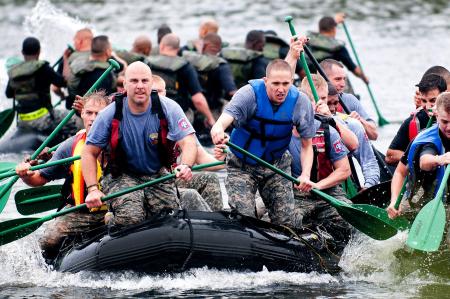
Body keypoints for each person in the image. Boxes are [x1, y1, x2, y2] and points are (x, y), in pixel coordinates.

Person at [82, 61, 197, 227]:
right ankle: (112, 220)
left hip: (156, 173)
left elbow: (188, 141)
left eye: (144, 81)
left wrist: (186, 165)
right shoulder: (109, 114)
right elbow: (88, 153)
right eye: (134, 81)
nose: (140, 86)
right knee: (132, 219)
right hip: (121, 175)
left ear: (151, 84)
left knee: (170, 220)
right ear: (125, 85)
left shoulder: (169, 108)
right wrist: (93, 189)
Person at [211, 57, 316, 225]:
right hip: (241, 164)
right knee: (244, 219)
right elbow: (221, 123)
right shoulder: (248, 95)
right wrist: (218, 132)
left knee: (286, 223)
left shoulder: (300, 102)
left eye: (285, 84)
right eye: (275, 84)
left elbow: (307, 145)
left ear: (291, 82)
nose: (281, 89)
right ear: (265, 81)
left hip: (276, 166)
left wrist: (305, 175)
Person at [15, 91, 110, 260]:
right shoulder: (70, 145)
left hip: (114, 209)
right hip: (81, 212)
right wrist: (25, 175)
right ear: (82, 114)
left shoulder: (119, 139)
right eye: (89, 113)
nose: (93, 118)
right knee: (48, 240)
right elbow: (39, 178)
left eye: (99, 114)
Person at [292, 75, 353, 247]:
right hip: (295, 193)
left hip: (327, 191)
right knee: (287, 221)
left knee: (348, 222)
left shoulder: (328, 131)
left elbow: (344, 170)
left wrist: (318, 186)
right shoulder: (281, 133)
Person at [152, 75, 224, 211]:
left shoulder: (174, 116)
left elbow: (203, 159)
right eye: (152, 92)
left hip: (172, 177)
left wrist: (222, 160)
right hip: (151, 182)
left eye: (160, 92)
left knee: (210, 178)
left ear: (166, 93)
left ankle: (217, 222)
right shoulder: (140, 117)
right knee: (190, 195)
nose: (157, 97)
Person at [387, 92, 450, 247]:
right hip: (423, 196)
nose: (449, 127)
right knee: (397, 226)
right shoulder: (426, 140)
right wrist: (394, 200)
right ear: (436, 116)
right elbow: (406, 170)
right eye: (445, 121)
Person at [5, 37, 74, 137]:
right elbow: (63, 82)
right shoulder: (43, 68)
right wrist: (65, 59)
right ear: (39, 51)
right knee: (73, 119)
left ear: (22, 52)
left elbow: (9, 94)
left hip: (22, 120)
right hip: (42, 119)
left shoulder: (14, 71)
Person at [147, 33, 215, 126]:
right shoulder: (185, 66)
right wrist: (210, 119)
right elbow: (198, 100)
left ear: (161, 46)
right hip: (177, 115)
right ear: (178, 49)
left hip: (151, 112)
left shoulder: (148, 62)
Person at [386, 74, 447, 165]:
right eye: (424, 101)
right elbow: (389, 156)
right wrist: (418, 158)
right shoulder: (413, 121)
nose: (427, 106)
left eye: (433, 101)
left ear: (445, 94)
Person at [319, 58, 378, 140]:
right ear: (322, 79)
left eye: (344, 79)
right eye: (338, 79)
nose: (343, 84)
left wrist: (360, 121)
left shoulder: (350, 99)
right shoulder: (311, 102)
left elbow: (374, 135)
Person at [182, 32, 237, 119]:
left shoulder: (189, 61)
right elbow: (231, 92)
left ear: (205, 45)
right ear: (219, 48)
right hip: (212, 112)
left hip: (191, 111)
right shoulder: (222, 65)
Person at [307, 14, 368, 84]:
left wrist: (334, 22)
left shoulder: (308, 41)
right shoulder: (338, 48)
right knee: (342, 77)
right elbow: (354, 69)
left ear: (319, 28)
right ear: (334, 29)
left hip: (309, 80)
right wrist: (364, 78)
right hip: (328, 83)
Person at [66, 35, 121, 110]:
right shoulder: (103, 75)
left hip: (71, 108)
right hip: (87, 116)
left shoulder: (81, 65)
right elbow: (101, 107)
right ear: (108, 51)